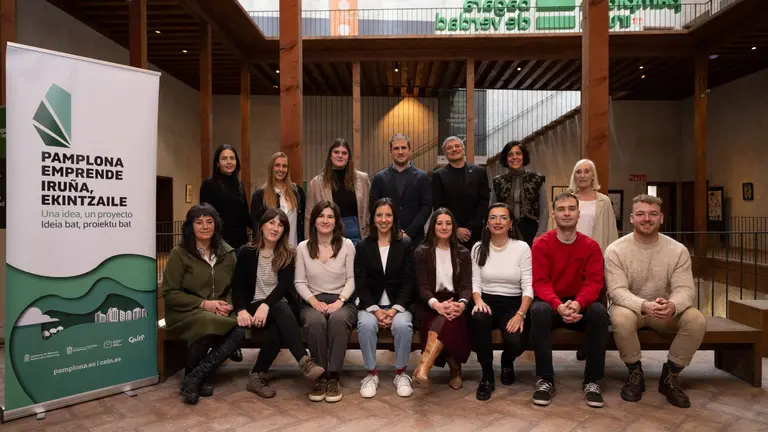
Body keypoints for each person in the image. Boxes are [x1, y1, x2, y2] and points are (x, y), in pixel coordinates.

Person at [605, 194, 705, 409]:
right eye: (640, 214)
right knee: (619, 318)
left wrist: (673, 305)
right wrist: (643, 305)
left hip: (664, 311)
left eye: (652, 214)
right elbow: (616, 291)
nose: (646, 219)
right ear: (632, 218)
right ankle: (635, 373)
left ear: (661, 218)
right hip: (633, 310)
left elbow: (685, 289)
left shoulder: (678, 250)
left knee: (696, 320)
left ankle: (670, 376)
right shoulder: (615, 250)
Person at [231, 208, 325, 398]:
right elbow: (238, 285)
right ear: (262, 225)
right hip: (254, 307)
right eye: (271, 223)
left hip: (280, 308)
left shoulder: (288, 253)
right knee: (279, 309)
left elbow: (284, 285)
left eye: (280, 225)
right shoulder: (247, 252)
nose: (275, 228)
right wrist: (241, 309)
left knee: (278, 325)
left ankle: (256, 375)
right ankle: (304, 361)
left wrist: (267, 305)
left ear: (284, 231)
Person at [529, 192, 608, 408]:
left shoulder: (591, 246)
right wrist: (558, 305)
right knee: (539, 311)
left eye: (572, 209)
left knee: (600, 313)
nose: (567, 213)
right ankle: (545, 379)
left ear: (578, 214)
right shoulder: (542, 244)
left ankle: (592, 381)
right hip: (551, 303)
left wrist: (579, 303)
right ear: (553, 214)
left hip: (579, 304)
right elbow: (540, 282)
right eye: (561, 209)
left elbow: (594, 282)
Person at [162, 204, 245, 405]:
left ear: (216, 224)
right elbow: (170, 293)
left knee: (243, 327)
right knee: (207, 322)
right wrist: (204, 304)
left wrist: (229, 304)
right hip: (186, 312)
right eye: (199, 222)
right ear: (190, 227)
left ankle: (196, 376)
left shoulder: (228, 253)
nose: (205, 226)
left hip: (220, 311)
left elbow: (237, 286)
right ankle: (199, 376)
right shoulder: (179, 254)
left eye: (209, 221)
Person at [295, 200, 357, 403]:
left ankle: (334, 377)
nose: (325, 220)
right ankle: (320, 376)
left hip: (342, 301)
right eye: (321, 216)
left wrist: (340, 301)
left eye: (330, 216)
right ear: (313, 221)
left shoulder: (347, 245)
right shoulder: (303, 247)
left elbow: (351, 280)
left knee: (338, 320)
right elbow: (299, 282)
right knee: (315, 322)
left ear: (336, 221)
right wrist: (313, 302)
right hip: (313, 301)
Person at [470, 203, 533, 401]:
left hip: (513, 303)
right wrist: (478, 300)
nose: (498, 222)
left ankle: (507, 360)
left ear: (511, 223)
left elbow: (528, 286)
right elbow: (475, 282)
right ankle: (487, 374)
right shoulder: (478, 247)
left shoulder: (522, 248)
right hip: (486, 300)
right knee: (478, 319)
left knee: (515, 340)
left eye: (503, 217)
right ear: (487, 223)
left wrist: (520, 314)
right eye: (493, 217)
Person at [355, 198, 416, 398]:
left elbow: (408, 281)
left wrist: (395, 309)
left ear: (394, 218)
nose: (383, 219)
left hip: (398, 304)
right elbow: (361, 281)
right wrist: (375, 309)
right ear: (373, 219)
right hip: (371, 304)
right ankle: (371, 374)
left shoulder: (405, 244)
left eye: (388, 215)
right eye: (379, 215)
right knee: (365, 325)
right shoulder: (364, 245)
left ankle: (401, 373)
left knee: (402, 326)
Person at [412, 208, 472, 390]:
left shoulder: (462, 252)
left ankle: (423, 367)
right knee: (443, 322)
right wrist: (436, 305)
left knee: (450, 320)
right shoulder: (422, 252)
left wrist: (461, 304)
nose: (444, 227)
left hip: (455, 302)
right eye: (439, 223)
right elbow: (422, 287)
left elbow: (466, 286)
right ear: (433, 227)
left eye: (448, 223)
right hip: (430, 303)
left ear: (453, 227)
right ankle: (455, 369)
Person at [369, 133, 432, 246]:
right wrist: (389, 230)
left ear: (410, 150)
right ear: (390, 151)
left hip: (415, 239)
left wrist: (409, 233)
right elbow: (373, 207)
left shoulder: (423, 177)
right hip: (386, 237)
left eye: (403, 148)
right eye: (396, 148)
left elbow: (426, 207)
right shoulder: (379, 178)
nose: (400, 152)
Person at [305, 138, 371, 245]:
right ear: (330, 156)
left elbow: (370, 209)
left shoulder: (363, 179)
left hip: (357, 234)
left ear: (348, 156)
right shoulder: (316, 183)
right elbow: (309, 217)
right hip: (328, 234)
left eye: (344, 153)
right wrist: (309, 243)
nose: (340, 156)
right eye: (336, 152)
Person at [431, 136, 490, 247]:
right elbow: (438, 206)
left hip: (475, 232)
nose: (454, 149)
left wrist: (470, 228)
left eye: (457, 146)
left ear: (463, 149)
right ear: (445, 153)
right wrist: (455, 229)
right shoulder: (438, 175)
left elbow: (484, 201)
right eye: (449, 148)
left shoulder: (479, 172)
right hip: (449, 232)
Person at [492, 141, 547, 247]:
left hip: (530, 230)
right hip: (504, 230)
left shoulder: (537, 179)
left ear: (523, 156)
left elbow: (544, 210)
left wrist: (540, 234)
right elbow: (492, 209)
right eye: (510, 155)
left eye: (518, 153)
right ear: (506, 158)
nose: (514, 157)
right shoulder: (497, 182)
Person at [200, 144, 252, 250]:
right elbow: (206, 216)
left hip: (240, 243)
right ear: (218, 163)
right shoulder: (209, 184)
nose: (229, 162)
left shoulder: (239, 183)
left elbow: (245, 214)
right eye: (224, 158)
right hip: (219, 244)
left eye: (232, 158)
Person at [251, 152, 306, 247]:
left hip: (295, 248)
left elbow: (304, 221)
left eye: (284, 166)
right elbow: (256, 228)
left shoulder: (297, 192)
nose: (281, 169)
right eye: (277, 165)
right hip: (271, 250)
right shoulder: (259, 195)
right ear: (271, 167)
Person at [568, 159, 618, 253]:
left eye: (587, 172)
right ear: (574, 176)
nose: (582, 176)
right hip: (571, 252)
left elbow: (611, 232)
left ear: (593, 176)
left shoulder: (604, 201)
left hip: (596, 253)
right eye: (578, 172)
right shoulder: (567, 200)